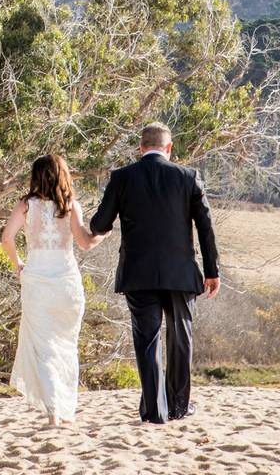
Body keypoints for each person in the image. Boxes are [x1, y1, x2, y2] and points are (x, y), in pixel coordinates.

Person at [89, 122, 220, 424]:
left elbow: (100, 224)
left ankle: (154, 411)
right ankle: (178, 406)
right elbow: (205, 226)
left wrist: (93, 227)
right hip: (181, 272)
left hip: (138, 272)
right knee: (180, 338)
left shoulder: (122, 178)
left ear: (140, 147)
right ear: (169, 148)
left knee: (147, 341)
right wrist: (212, 270)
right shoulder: (188, 177)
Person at [1, 154, 108, 428]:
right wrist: (103, 232)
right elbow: (85, 242)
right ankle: (63, 408)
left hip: (36, 281)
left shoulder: (25, 206)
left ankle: (53, 413)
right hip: (67, 284)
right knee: (66, 347)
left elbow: (7, 238)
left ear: (36, 176)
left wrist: (18, 264)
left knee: (44, 350)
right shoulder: (71, 207)